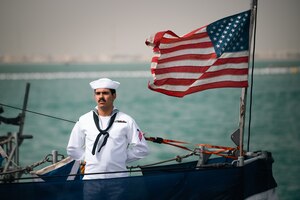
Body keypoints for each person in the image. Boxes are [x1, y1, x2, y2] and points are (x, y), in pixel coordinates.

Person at [67, 78, 149, 180]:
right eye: (98, 93)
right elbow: (72, 148)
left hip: (119, 179)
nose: (101, 97)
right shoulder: (84, 120)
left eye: (105, 93)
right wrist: (89, 159)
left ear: (114, 96)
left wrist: (120, 157)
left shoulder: (126, 120)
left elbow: (142, 148)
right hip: (91, 179)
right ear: (94, 96)